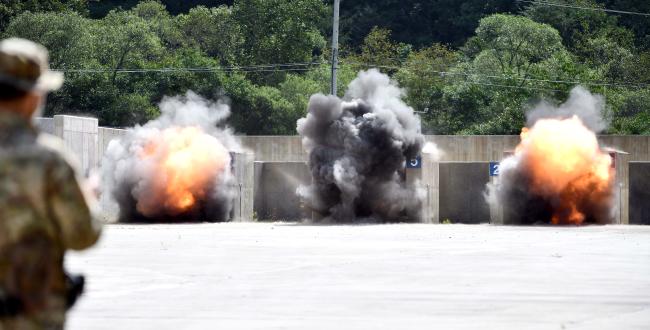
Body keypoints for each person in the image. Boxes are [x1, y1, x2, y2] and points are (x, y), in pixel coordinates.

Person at [0, 38, 102, 329]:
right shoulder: (49, 160)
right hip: (30, 316)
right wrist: (87, 196)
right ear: (34, 97)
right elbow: (83, 235)